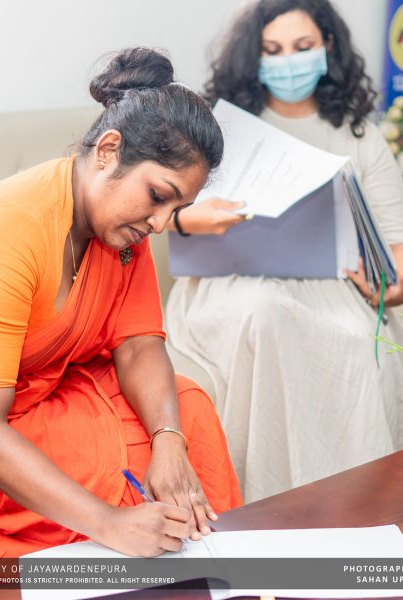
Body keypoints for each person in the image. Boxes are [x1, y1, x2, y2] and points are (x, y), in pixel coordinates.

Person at [0, 47, 242, 563]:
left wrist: (169, 439)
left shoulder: (120, 228)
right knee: (112, 464)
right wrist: (111, 524)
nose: (161, 223)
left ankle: (216, 576)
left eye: (179, 208)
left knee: (188, 410)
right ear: (108, 150)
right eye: (159, 195)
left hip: (46, 387)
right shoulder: (4, 230)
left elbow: (139, 345)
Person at [166, 0, 403, 503]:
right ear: (253, 56)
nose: (288, 61)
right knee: (265, 311)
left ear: (328, 46)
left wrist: (391, 284)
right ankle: (265, 508)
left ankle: (352, 507)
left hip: (334, 287)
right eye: (273, 50)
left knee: (357, 339)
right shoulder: (220, 128)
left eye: (302, 47)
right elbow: (160, 209)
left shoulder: (360, 136)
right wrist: (189, 219)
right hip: (230, 284)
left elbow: (396, 243)